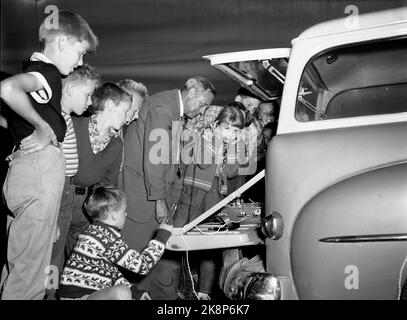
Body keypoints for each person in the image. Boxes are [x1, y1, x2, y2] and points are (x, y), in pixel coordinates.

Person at [0, 10, 97, 300]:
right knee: (32, 274)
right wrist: (43, 128)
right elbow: (7, 88)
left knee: (16, 264)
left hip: (24, 169)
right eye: (80, 52)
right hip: (41, 170)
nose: (80, 62)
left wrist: (25, 131)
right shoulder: (49, 73)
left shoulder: (35, 69)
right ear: (64, 42)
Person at [121, 76, 216, 299]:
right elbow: (155, 160)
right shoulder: (164, 108)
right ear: (191, 92)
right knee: (136, 257)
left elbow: (171, 157)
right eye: (202, 104)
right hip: (144, 198)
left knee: (150, 257)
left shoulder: (171, 108)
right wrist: (160, 199)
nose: (202, 111)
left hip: (151, 194)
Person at [174, 105, 245, 300]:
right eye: (227, 128)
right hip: (193, 195)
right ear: (217, 125)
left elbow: (231, 172)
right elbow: (203, 162)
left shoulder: (233, 144)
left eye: (236, 130)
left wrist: (232, 146)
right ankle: (179, 287)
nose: (230, 134)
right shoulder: (201, 137)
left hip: (215, 197)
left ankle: (204, 292)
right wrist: (215, 138)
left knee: (209, 246)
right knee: (181, 243)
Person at [43, 65, 101, 299]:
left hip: (65, 192)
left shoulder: (65, 118)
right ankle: (47, 294)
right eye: (87, 95)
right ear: (71, 89)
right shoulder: (54, 117)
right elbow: (48, 174)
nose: (89, 103)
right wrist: (52, 216)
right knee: (50, 258)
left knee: (56, 258)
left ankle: (52, 293)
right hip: (56, 194)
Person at [58, 185, 173, 300]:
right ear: (113, 214)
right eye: (124, 211)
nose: (126, 214)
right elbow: (142, 266)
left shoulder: (97, 231)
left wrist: (135, 292)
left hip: (85, 294)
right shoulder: (106, 238)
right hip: (79, 296)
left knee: (126, 292)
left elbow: (111, 274)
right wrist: (161, 237)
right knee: (122, 293)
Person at [64, 83, 132, 262]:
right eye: (125, 111)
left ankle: (71, 291)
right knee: (50, 258)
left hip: (86, 207)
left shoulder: (117, 144)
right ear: (110, 105)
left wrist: (101, 210)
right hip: (60, 198)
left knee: (79, 260)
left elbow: (108, 182)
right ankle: (49, 291)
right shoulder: (73, 125)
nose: (127, 119)